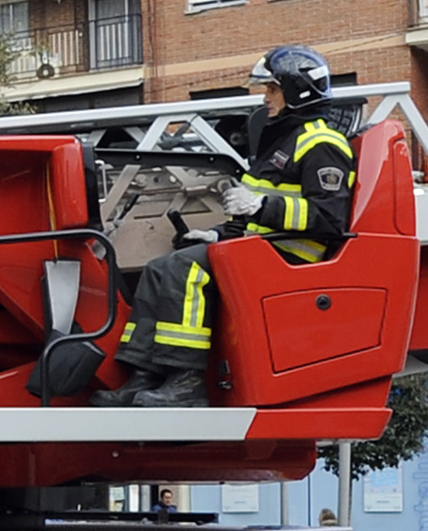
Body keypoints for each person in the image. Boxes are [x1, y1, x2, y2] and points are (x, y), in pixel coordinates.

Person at [94, 46, 357, 409]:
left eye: (272, 90)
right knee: (158, 269)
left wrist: (262, 206)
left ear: (296, 92)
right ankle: (144, 376)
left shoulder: (323, 144)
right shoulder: (282, 141)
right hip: (262, 248)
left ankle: (186, 383)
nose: (265, 98)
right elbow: (254, 216)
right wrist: (218, 234)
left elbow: (330, 219)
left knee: (184, 270)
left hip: (291, 258)